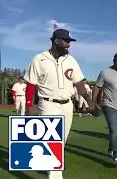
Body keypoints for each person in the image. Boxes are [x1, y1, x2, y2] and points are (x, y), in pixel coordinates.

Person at [24, 28, 92, 179]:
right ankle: (55, 174)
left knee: (61, 141)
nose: (69, 44)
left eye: (69, 41)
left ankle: (47, 161)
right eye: (66, 41)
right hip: (48, 104)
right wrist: (30, 106)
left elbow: (80, 83)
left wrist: (90, 102)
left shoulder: (71, 60)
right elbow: (30, 84)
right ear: (56, 41)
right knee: (53, 141)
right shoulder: (39, 59)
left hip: (67, 105)